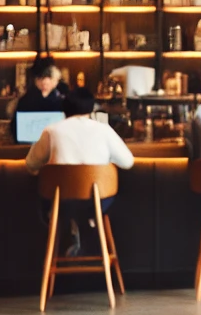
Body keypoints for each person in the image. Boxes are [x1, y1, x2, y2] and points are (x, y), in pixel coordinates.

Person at [25, 87, 134, 256]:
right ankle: (86, 228)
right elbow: (128, 162)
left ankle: (73, 234)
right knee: (104, 197)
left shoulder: (52, 131)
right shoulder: (103, 130)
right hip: (97, 203)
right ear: (91, 108)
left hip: (59, 204)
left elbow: (31, 164)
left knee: (54, 200)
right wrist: (102, 165)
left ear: (65, 108)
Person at [10, 57, 67, 136]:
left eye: (49, 78)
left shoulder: (63, 100)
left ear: (56, 80)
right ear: (35, 80)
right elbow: (15, 127)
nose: (44, 82)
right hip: (30, 144)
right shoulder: (26, 101)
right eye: (40, 78)